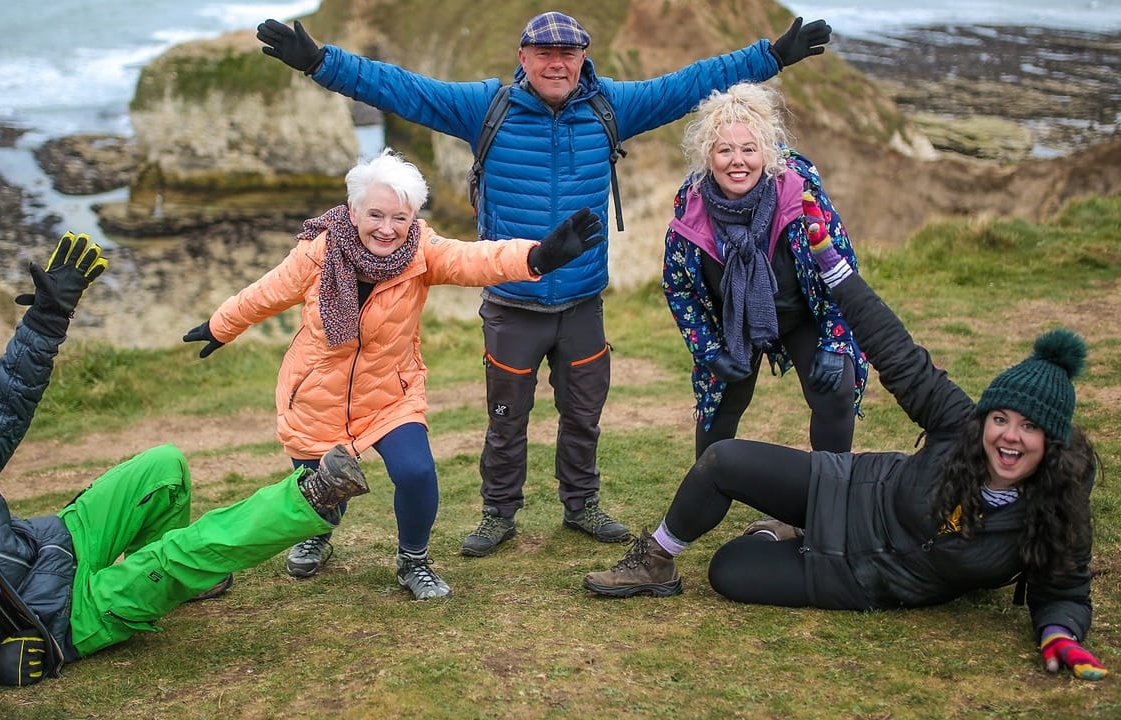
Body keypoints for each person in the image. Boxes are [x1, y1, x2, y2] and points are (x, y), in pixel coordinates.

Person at [256, 10, 834, 558]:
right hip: (513, 303)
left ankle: (581, 505)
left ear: (584, 57)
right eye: (544, 53)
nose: (556, 63)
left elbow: (690, 84)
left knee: (584, 413)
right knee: (506, 419)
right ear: (523, 57)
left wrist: (773, 56)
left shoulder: (612, 107)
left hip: (583, 301)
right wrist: (318, 62)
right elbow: (400, 88)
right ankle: (499, 514)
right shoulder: (487, 107)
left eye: (568, 53)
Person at [0, 232, 372, 695]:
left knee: (163, 467)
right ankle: (310, 496)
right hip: (67, 618)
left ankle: (177, 582)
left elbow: (7, 402)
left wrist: (48, 317)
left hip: (62, 542)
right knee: (174, 554)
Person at [583, 218, 1109, 681]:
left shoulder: (1056, 508)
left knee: (728, 571)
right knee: (723, 460)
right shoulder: (961, 426)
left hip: (859, 578)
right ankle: (656, 561)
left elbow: (1064, 587)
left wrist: (1059, 634)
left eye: (1029, 428)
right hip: (850, 490)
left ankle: (781, 529)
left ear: (1053, 441)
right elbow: (899, 355)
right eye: (1001, 418)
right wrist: (836, 272)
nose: (1008, 437)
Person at [182, 150, 603, 599]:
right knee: (319, 489)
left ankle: (413, 561)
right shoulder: (319, 252)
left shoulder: (420, 252)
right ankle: (317, 535)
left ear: (413, 218)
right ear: (353, 212)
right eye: (376, 215)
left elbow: (472, 259)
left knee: (416, 472)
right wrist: (220, 325)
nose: (387, 228)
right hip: (315, 393)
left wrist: (535, 258)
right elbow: (267, 292)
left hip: (389, 392)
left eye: (399, 217)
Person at [663, 81, 867, 463]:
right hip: (732, 319)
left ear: (766, 154)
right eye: (724, 150)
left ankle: (830, 490)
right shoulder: (691, 210)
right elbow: (677, 288)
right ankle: (706, 488)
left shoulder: (801, 198)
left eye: (748, 149)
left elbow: (842, 270)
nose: (737, 161)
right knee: (723, 399)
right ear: (708, 156)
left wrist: (835, 342)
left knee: (835, 389)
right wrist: (709, 351)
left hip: (801, 313)